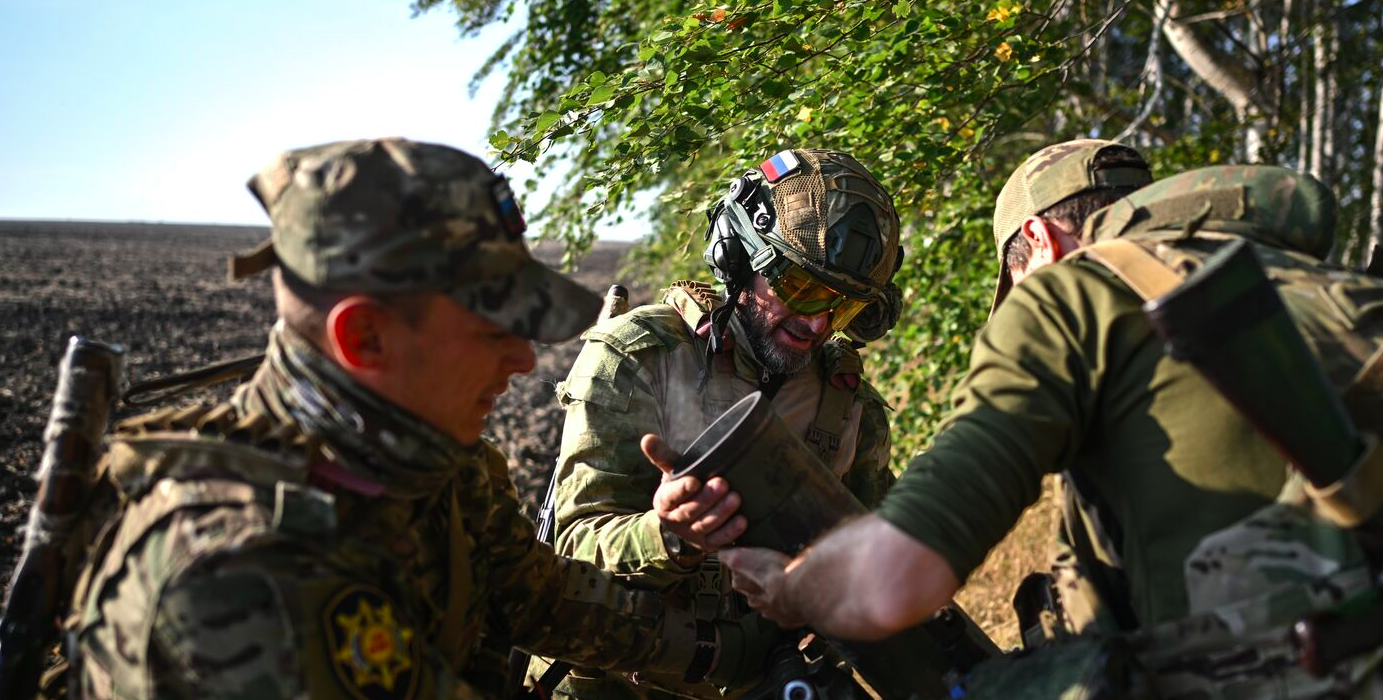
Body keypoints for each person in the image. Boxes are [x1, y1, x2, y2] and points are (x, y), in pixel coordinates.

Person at [59, 138, 765, 700]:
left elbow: (538, 599)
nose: (523, 360)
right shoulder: (236, 571)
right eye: (492, 328)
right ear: (364, 339)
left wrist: (736, 655)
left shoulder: (432, 463)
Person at [722, 151, 1383, 695]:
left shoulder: (1073, 296)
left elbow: (897, 578)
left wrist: (791, 588)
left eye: (1016, 281)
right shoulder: (1338, 291)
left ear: (1036, 240)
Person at [530, 149, 903, 700]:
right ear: (739, 257)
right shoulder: (639, 359)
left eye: (843, 307)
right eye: (802, 288)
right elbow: (565, 557)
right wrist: (667, 535)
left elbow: (880, 573)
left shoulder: (850, 408)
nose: (817, 322)